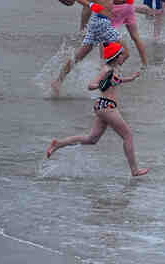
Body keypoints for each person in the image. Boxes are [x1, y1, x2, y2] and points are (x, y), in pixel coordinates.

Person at [46, 42, 148, 177]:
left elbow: (117, 80)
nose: (124, 57)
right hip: (107, 107)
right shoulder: (106, 70)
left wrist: (131, 78)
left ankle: (58, 144)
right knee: (128, 135)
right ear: (116, 56)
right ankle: (134, 170)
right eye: (122, 55)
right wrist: (102, 84)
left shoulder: (114, 70)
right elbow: (91, 85)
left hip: (103, 106)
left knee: (92, 139)